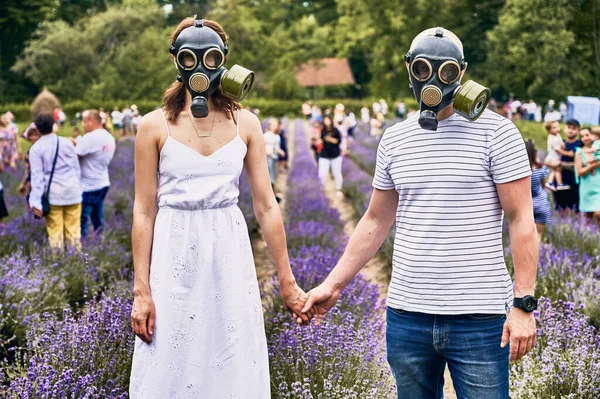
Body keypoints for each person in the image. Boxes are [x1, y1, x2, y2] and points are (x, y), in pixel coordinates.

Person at [302, 27, 538, 399]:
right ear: (410, 68)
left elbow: (522, 218)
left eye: (445, 72)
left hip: (479, 318)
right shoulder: (396, 139)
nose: (432, 80)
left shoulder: (498, 133)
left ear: (461, 73)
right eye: (423, 69)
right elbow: (376, 220)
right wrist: (332, 285)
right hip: (407, 316)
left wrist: (524, 304)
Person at [128, 18, 311, 398]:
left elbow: (266, 207)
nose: (201, 67)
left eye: (211, 58)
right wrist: (141, 291)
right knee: (171, 358)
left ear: (224, 62)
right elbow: (144, 212)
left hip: (228, 250)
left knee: (231, 353)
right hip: (173, 253)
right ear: (177, 62)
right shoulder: (153, 126)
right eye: (191, 58)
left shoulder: (246, 123)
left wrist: (287, 281)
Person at [29, 113, 82, 250]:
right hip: (73, 192)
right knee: (74, 232)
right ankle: (77, 264)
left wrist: (35, 202)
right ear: (54, 125)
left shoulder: (36, 148)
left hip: (53, 195)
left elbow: (37, 177)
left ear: (37, 129)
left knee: (55, 234)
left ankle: (59, 264)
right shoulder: (66, 142)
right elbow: (76, 167)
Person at [74, 109, 116, 238]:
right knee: (97, 218)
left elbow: (74, 156)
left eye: (84, 121)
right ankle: (100, 241)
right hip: (103, 182)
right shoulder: (109, 137)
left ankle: (83, 247)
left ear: (91, 121)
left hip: (88, 186)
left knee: (81, 220)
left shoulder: (90, 138)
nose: (82, 124)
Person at [553, 119, 581, 213]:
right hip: (560, 182)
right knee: (561, 210)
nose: (570, 130)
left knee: (575, 210)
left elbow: (578, 165)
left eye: (573, 128)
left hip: (574, 182)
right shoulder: (560, 143)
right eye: (568, 127)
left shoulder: (580, 144)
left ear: (578, 131)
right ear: (564, 128)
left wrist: (560, 164)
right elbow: (551, 161)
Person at [525, 140, 550, 240]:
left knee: (526, 236)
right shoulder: (540, 169)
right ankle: (539, 255)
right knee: (538, 235)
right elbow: (544, 185)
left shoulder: (521, 172)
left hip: (526, 205)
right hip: (541, 203)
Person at [574, 127, 600, 224]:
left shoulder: (598, 147)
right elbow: (579, 172)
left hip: (598, 186)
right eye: (582, 136)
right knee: (587, 217)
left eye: (587, 135)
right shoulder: (579, 152)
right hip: (587, 187)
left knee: (598, 213)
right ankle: (588, 237)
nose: (585, 138)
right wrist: (592, 166)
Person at [318, 115, 343, 196]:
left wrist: (329, 139)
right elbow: (321, 140)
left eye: (328, 120)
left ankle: (338, 189)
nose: (327, 122)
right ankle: (321, 188)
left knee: (337, 173)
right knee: (322, 173)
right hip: (324, 155)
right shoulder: (322, 130)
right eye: (325, 120)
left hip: (335, 155)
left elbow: (338, 141)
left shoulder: (336, 130)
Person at [19, 123, 42, 208]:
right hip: (32, 182)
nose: (33, 137)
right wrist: (23, 183)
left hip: (42, 182)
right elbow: (28, 169)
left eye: (36, 135)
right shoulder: (30, 151)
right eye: (31, 135)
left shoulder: (42, 150)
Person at [544, 120, 569, 191]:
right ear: (549, 130)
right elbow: (557, 149)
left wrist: (563, 145)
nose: (557, 129)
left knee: (555, 170)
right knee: (558, 170)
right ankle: (559, 184)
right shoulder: (552, 138)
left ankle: (550, 182)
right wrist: (567, 153)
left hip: (555, 156)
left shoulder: (557, 135)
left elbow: (561, 142)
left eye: (557, 126)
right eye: (554, 127)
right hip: (553, 157)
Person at [264, 118, 284, 202]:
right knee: (269, 177)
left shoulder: (277, 136)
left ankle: (273, 195)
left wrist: (280, 151)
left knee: (273, 177)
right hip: (267, 158)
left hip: (274, 158)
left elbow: (277, 147)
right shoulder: (266, 135)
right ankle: (270, 196)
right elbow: (261, 146)